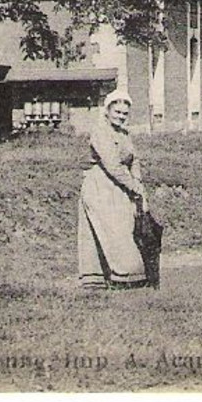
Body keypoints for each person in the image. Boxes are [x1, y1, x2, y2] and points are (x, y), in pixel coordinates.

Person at [78, 90, 149, 289]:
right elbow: (112, 165)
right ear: (107, 111)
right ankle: (123, 274)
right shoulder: (100, 132)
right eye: (117, 112)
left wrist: (138, 183)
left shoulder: (125, 134)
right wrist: (134, 186)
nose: (121, 116)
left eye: (125, 114)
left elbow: (134, 160)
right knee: (112, 229)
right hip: (100, 185)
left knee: (125, 226)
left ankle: (116, 276)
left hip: (120, 186)